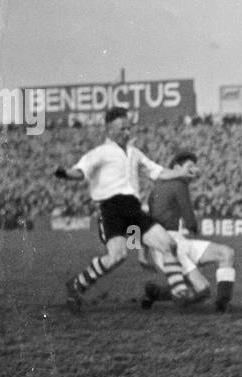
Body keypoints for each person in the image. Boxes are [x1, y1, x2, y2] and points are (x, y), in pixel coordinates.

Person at [53, 107, 191, 309]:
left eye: (128, 128)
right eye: (121, 129)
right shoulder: (100, 153)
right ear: (109, 129)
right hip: (112, 209)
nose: (127, 132)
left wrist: (181, 173)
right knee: (117, 256)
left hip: (134, 210)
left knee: (168, 243)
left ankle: (180, 292)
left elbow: (157, 171)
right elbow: (80, 172)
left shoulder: (134, 153)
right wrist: (64, 173)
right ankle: (76, 285)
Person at [140, 151, 237, 312]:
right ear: (177, 168)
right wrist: (193, 228)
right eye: (190, 166)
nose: (195, 170)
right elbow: (189, 219)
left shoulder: (157, 188)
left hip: (176, 242)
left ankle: (222, 304)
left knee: (226, 253)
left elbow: (141, 222)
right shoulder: (179, 184)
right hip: (168, 247)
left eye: (195, 166)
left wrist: (141, 252)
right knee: (203, 289)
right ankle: (156, 292)